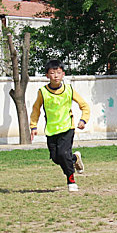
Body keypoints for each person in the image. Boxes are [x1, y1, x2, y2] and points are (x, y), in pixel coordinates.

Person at [30, 60, 90, 192]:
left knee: (63, 154)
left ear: (63, 74)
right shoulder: (43, 92)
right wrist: (33, 126)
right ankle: (75, 158)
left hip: (67, 128)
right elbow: (36, 109)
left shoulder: (69, 90)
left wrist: (83, 120)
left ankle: (71, 180)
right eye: (52, 73)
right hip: (51, 130)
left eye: (58, 73)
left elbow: (84, 106)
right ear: (47, 75)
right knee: (56, 158)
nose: (55, 76)